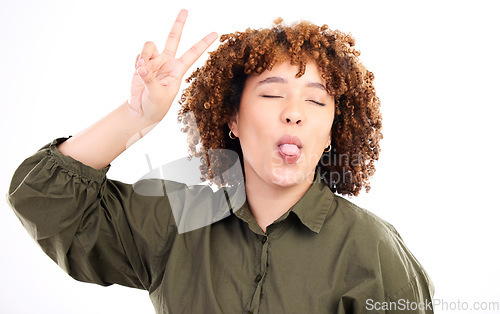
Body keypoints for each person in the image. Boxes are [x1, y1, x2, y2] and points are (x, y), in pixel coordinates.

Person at [7, 9, 434, 314]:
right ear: (232, 118)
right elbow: (45, 200)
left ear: (330, 133)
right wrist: (137, 117)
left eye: (317, 100)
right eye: (271, 93)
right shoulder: (175, 221)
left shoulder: (373, 250)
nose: (294, 111)